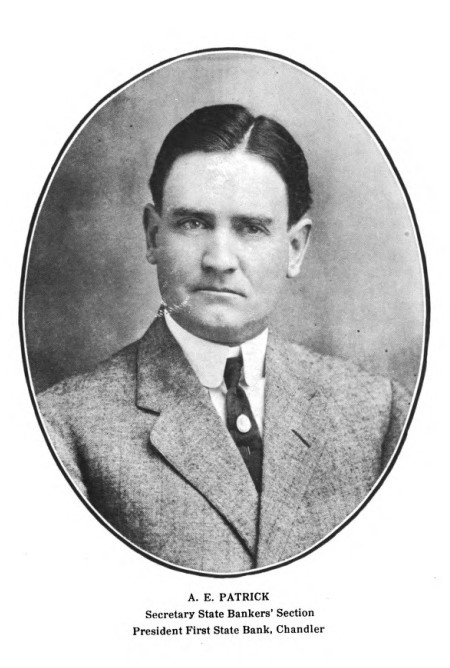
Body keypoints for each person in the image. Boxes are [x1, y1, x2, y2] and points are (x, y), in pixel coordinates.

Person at [37, 104, 410, 573]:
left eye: (250, 228)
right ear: (153, 236)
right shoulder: (63, 428)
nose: (219, 260)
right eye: (193, 223)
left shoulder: (377, 413)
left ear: (294, 248)